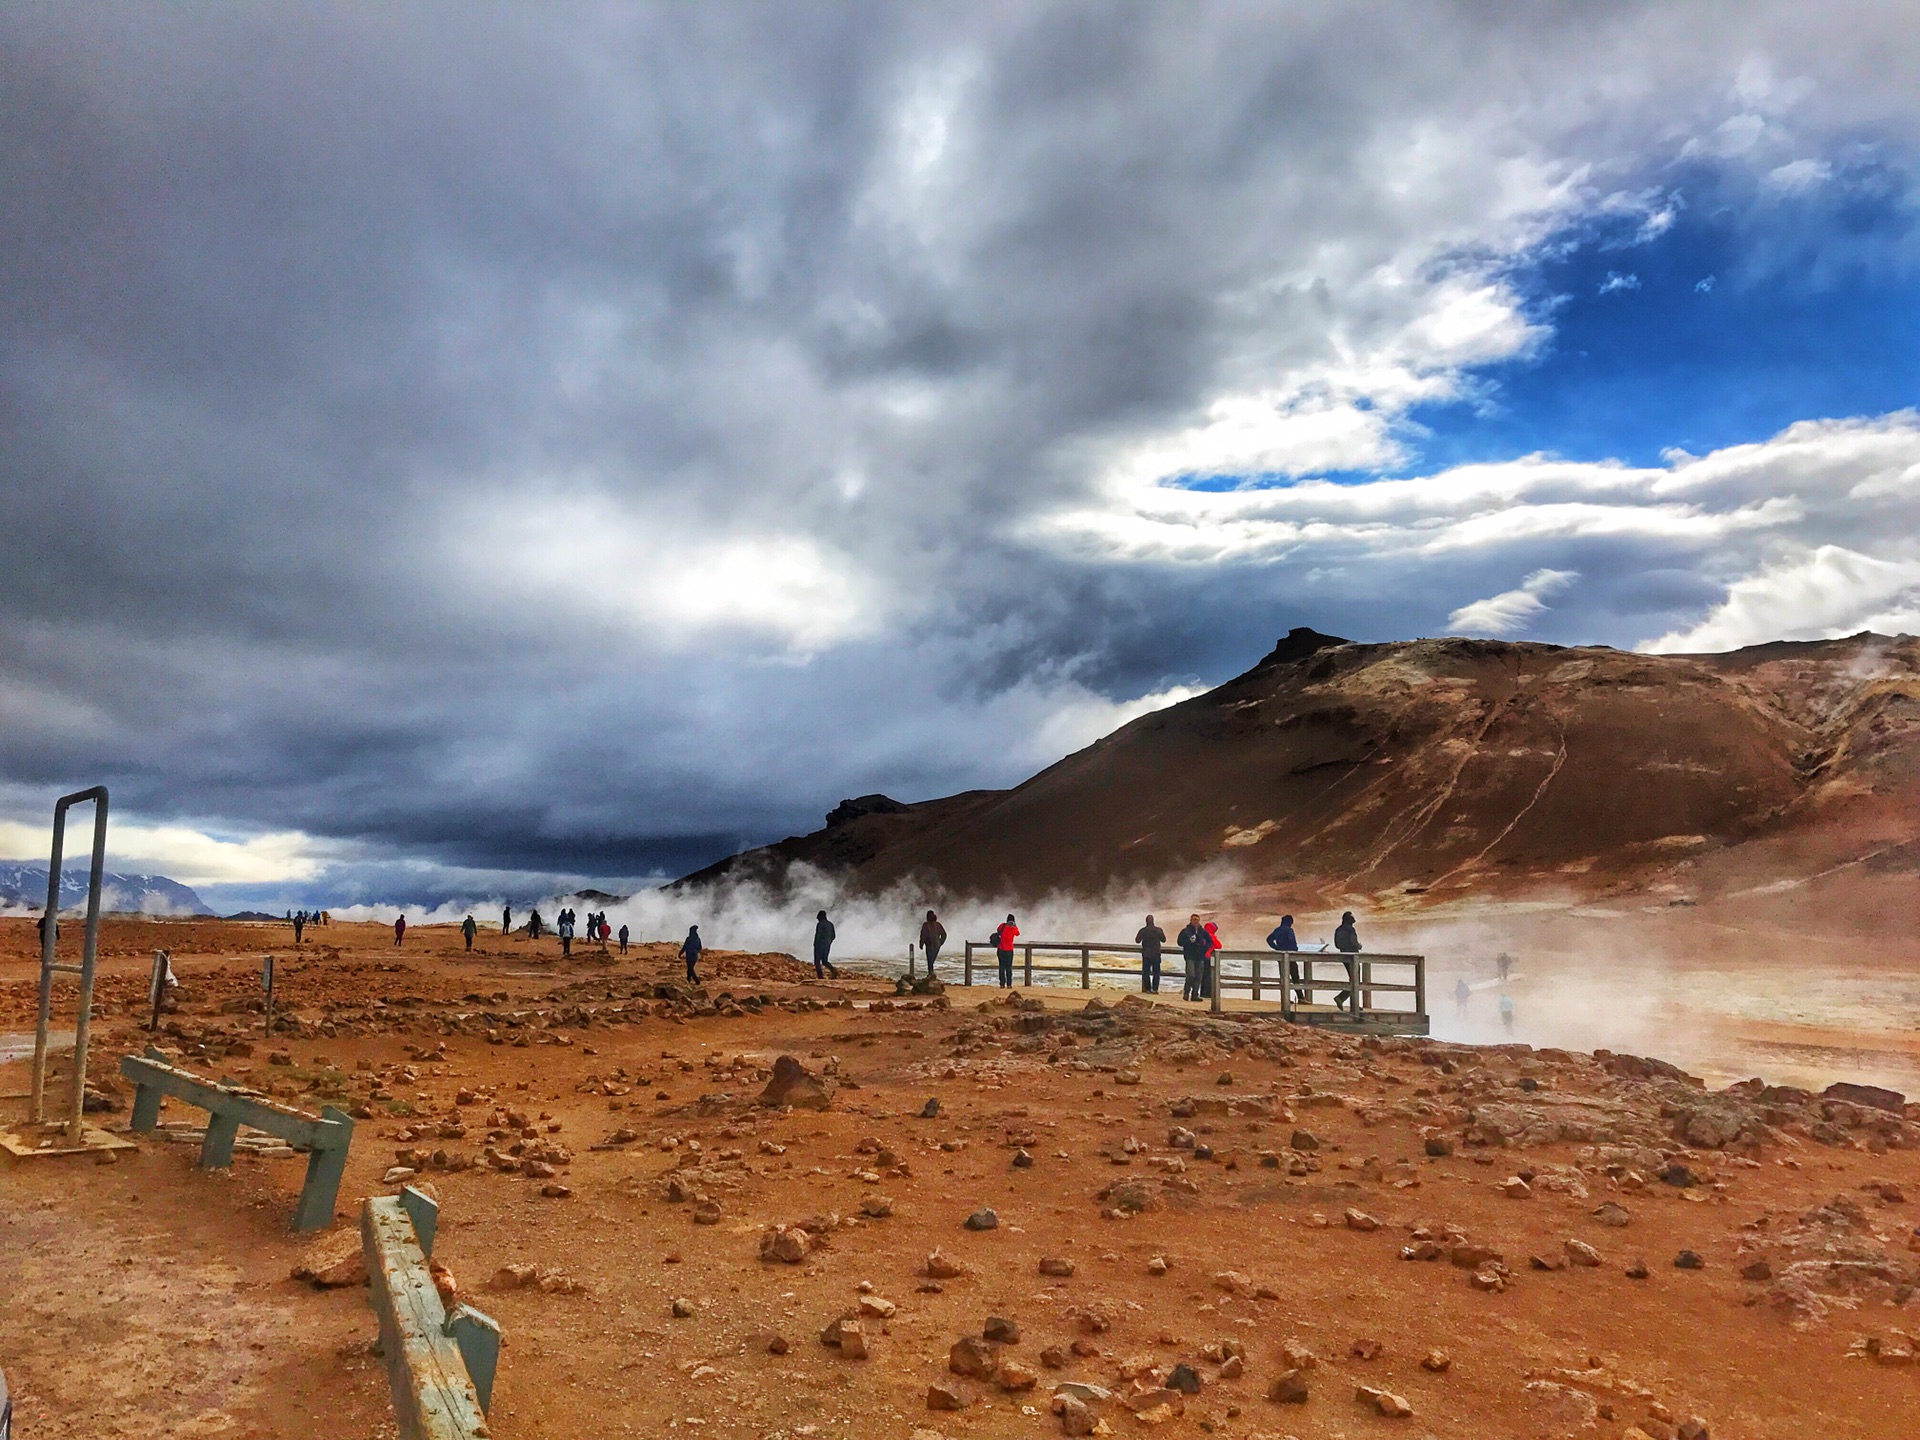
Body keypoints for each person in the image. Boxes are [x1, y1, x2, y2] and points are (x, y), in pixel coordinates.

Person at [1266, 914, 1305, 1002]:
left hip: (1281, 956)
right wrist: (1295, 949)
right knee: (1295, 977)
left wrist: (1277, 948)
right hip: (1290, 956)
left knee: (1284, 977)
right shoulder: (1289, 930)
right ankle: (1301, 998)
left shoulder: (1277, 930)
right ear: (1290, 922)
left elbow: (1269, 939)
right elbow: (1292, 941)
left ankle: (1285, 999)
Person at [1332, 911, 1362, 1013]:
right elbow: (1354, 943)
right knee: (1355, 979)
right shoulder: (1350, 929)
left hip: (1343, 955)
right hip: (1352, 957)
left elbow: (1337, 944)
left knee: (1353, 978)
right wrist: (1359, 946)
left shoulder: (1338, 930)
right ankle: (1343, 999)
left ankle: (1352, 1002)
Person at [1176, 915, 1209, 1002]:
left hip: (1200, 956)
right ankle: (1186, 992)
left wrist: (1204, 949)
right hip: (1190, 956)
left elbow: (1209, 941)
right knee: (1191, 975)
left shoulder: (1202, 931)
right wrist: (1189, 942)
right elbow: (1179, 942)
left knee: (1198, 976)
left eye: (1197, 920)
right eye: (1194, 920)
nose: (1196, 921)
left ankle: (1195, 995)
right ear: (1190, 920)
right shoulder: (1185, 931)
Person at [1135, 914, 1166, 993]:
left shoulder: (1143, 930)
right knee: (1156, 972)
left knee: (1146, 972)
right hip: (1156, 954)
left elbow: (1137, 940)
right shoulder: (1158, 930)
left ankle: (1147, 989)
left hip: (1146, 954)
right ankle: (1155, 989)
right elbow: (1163, 940)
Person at [993, 914, 1020, 987]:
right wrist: (1015, 925)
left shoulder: (1003, 925)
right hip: (1009, 950)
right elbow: (1018, 933)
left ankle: (1002, 983)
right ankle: (1009, 984)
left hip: (1001, 948)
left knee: (1001, 967)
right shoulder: (1013, 928)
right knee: (1009, 967)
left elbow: (998, 929)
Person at [918, 910, 947, 975]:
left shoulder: (926, 925)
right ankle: (931, 974)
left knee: (930, 961)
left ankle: (930, 974)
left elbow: (923, 935)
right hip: (936, 945)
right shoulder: (938, 924)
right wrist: (940, 942)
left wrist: (921, 944)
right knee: (931, 960)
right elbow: (944, 934)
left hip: (929, 945)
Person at [813, 910, 839, 979]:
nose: (817, 919)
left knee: (817, 961)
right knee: (825, 961)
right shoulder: (830, 924)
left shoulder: (820, 924)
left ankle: (820, 976)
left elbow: (818, 935)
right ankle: (834, 971)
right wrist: (828, 942)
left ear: (820, 917)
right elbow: (833, 936)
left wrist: (815, 944)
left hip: (819, 945)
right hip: (827, 945)